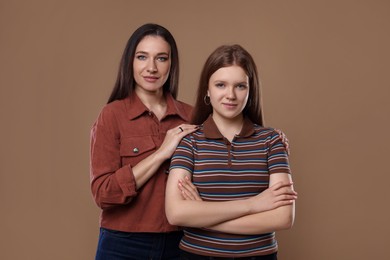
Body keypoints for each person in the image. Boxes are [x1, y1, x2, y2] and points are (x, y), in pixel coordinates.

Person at [165, 44, 297, 260]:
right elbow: (176, 213)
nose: (230, 95)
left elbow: (283, 217)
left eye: (240, 86)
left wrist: (203, 214)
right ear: (207, 90)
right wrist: (254, 204)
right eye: (220, 85)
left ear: (250, 90)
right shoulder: (189, 142)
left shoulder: (272, 141)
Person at [90, 23, 198, 260]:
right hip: (123, 243)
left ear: (172, 64)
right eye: (142, 57)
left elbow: (230, 151)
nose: (151, 68)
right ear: (131, 62)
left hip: (182, 243)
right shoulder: (112, 115)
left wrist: (272, 139)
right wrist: (161, 153)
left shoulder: (191, 117)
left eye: (161, 58)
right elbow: (103, 194)